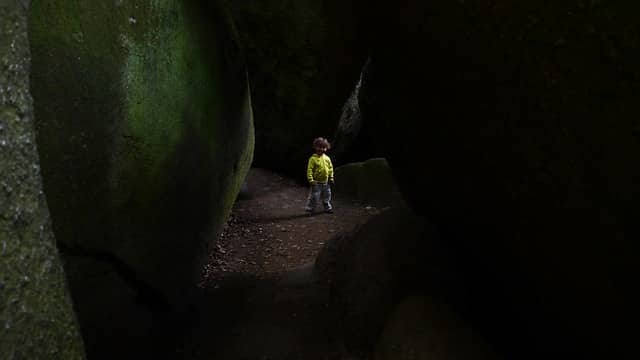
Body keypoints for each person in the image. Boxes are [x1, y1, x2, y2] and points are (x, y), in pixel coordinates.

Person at [305, 137, 334, 214]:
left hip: (326, 182)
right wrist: (310, 180)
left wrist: (331, 178)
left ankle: (327, 208)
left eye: (324, 147)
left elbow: (330, 168)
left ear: (326, 148)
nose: (321, 149)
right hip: (316, 182)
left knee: (327, 196)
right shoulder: (313, 159)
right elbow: (309, 170)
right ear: (315, 147)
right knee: (314, 197)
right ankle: (310, 209)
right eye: (319, 147)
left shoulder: (327, 158)